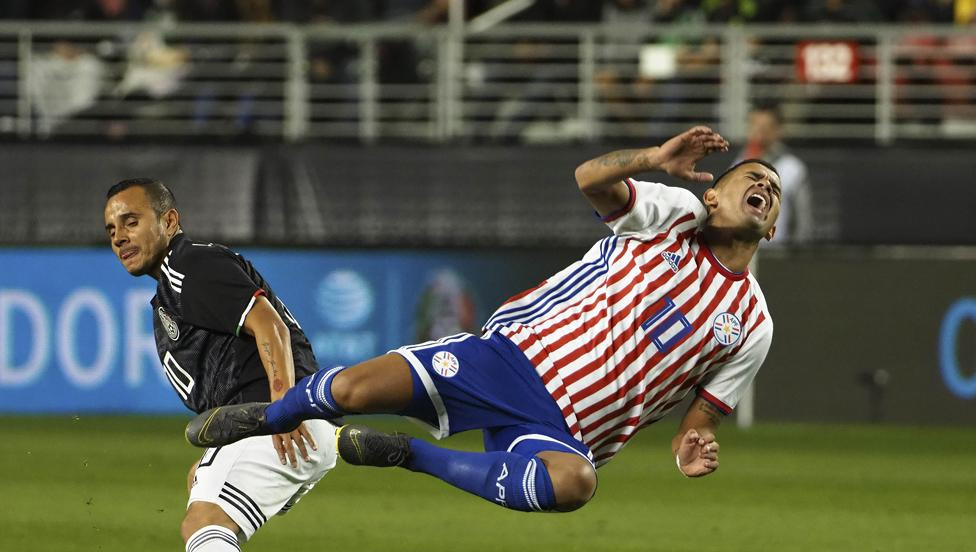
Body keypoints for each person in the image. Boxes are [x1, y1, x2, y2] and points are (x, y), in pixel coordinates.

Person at [188, 125, 777, 515]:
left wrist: (690, 448)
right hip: (509, 358)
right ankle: (265, 416)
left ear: (772, 227)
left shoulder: (752, 323)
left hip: (567, 435)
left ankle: (408, 455)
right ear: (713, 198)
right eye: (750, 178)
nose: (764, 187)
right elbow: (589, 180)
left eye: (773, 189)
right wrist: (654, 158)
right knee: (352, 389)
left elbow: (697, 425)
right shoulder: (673, 215)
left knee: (575, 486)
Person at [104, 179, 337, 552]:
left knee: (205, 518)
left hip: (282, 418)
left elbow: (267, 323)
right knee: (203, 505)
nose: (120, 235)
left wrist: (283, 409)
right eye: (111, 228)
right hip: (268, 420)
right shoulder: (170, 289)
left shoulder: (193, 264)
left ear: (169, 221)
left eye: (131, 220)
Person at [738, 104, 815, 245]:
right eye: (754, 126)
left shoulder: (792, 168)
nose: (758, 133)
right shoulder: (737, 166)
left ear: (778, 130)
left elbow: (803, 224)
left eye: (765, 128)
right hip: (742, 257)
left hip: (776, 254)